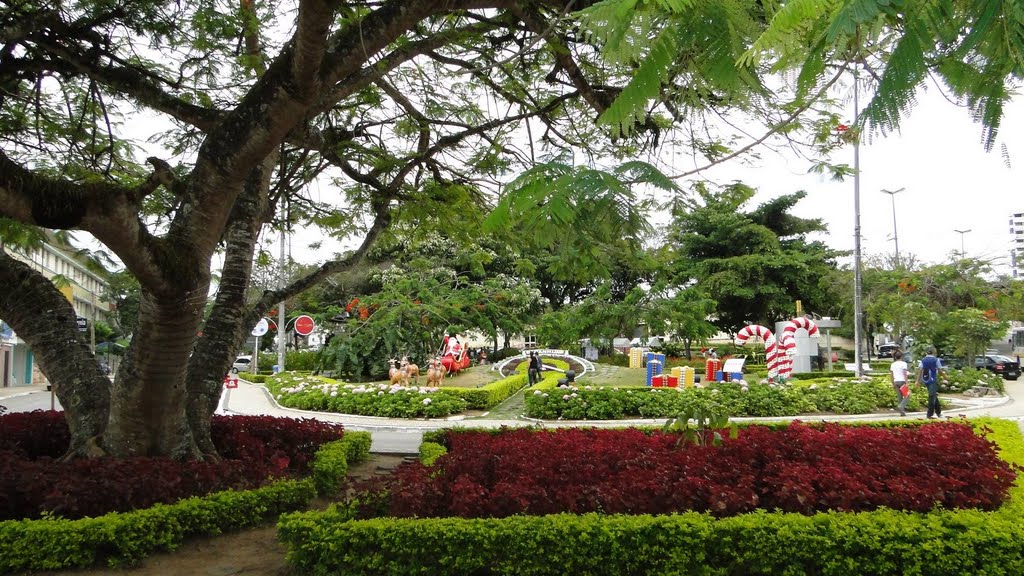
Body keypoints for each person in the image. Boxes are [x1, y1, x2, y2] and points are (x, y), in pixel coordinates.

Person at [917, 346, 944, 419]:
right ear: (933, 352)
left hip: (926, 379)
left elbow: (920, 371)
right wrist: (946, 377)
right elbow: (940, 371)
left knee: (933, 395)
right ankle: (930, 414)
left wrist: (918, 381)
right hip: (933, 379)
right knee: (932, 396)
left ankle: (938, 412)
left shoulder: (923, 360)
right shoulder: (936, 360)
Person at [889, 349, 910, 417]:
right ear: (902, 356)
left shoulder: (893, 364)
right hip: (902, 381)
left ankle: (902, 412)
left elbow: (891, 374)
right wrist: (907, 382)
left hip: (896, 381)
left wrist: (892, 383)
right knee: (907, 395)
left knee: (899, 396)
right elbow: (904, 373)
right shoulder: (904, 364)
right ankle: (901, 406)